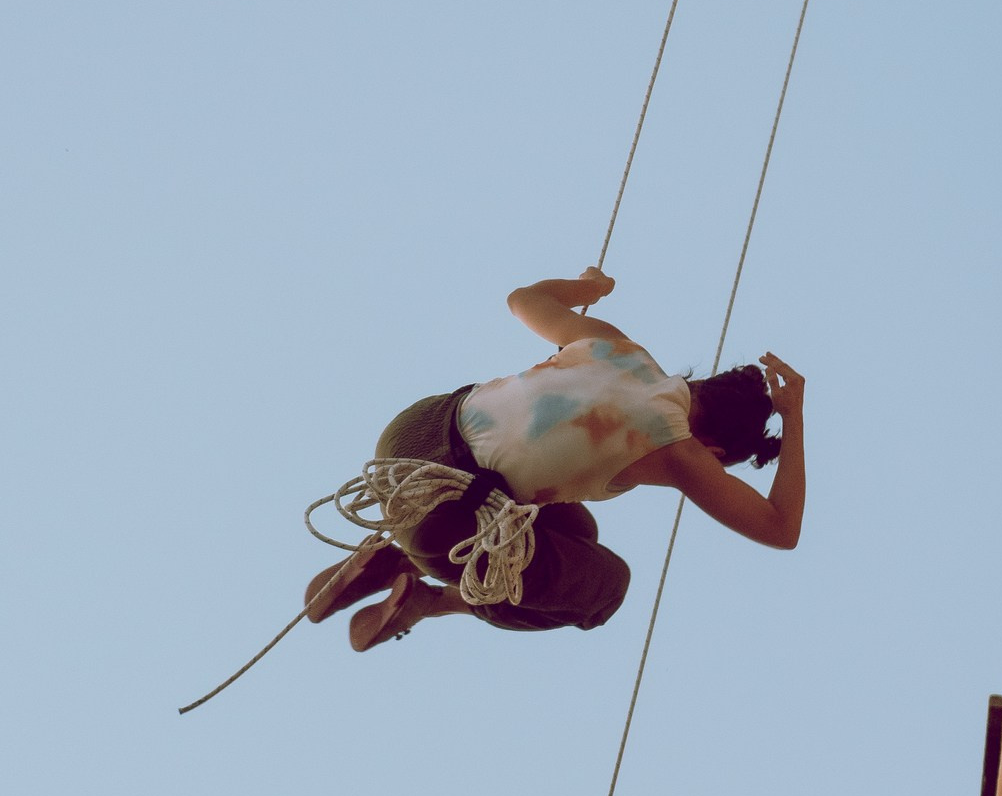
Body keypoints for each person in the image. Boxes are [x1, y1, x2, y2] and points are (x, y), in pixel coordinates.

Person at [303, 270, 806, 651]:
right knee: (606, 588)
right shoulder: (679, 450)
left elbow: (523, 300)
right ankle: (430, 599)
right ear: (717, 450)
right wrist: (794, 417)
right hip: (445, 520)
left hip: (409, 438)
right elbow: (781, 529)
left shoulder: (618, 348)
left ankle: (390, 557)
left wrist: (589, 284)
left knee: (577, 531)